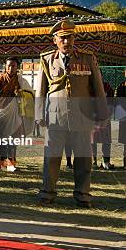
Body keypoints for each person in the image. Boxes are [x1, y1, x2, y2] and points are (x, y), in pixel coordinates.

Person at [36, 19, 108, 208]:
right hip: (55, 116)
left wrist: (103, 115)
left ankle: (83, 195)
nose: (67, 42)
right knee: (51, 157)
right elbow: (41, 90)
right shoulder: (46, 59)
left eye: (70, 37)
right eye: (62, 38)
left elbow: (98, 88)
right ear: (55, 40)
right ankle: (47, 194)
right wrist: (38, 115)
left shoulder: (87, 58)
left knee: (83, 159)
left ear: (75, 38)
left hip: (82, 117)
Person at [0, 57, 33, 172]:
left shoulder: (21, 80)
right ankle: (1, 164)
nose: (11, 68)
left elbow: (29, 94)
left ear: (17, 67)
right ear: (5, 66)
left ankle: (11, 164)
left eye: (13, 66)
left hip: (15, 114)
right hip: (2, 113)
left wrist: (20, 94)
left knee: (13, 140)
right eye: (8, 65)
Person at [91, 81, 114, 169]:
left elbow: (112, 102)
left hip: (105, 118)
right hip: (93, 118)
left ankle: (106, 162)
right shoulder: (89, 88)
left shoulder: (107, 86)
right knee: (92, 140)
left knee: (106, 140)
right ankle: (94, 161)